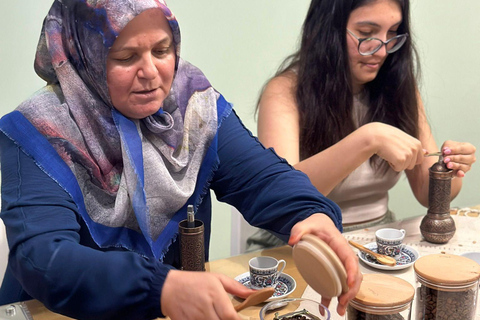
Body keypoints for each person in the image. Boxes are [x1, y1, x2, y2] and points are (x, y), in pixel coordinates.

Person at [0, 1, 362, 319]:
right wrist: (161, 288)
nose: (152, 73)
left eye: (162, 50)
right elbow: (44, 260)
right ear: (84, 56)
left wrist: (311, 213)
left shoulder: (193, 104)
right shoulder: (38, 131)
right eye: (125, 57)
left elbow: (262, 178)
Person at [247, 0, 476, 250]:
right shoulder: (284, 92)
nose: (382, 51)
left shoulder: (398, 89)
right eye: (366, 34)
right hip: (298, 244)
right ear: (328, 29)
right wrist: (368, 139)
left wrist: (449, 168)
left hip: (378, 240)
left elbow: (426, 194)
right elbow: (283, 199)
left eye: (392, 33)